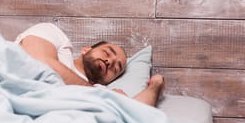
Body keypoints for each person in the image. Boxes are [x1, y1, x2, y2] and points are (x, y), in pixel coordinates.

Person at [15, 23, 164, 107]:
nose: (110, 61)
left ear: (110, 81)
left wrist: (156, 84)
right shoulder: (56, 37)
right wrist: (94, 93)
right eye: (107, 52)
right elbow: (39, 63)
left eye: (115, 68)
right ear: (86, 50)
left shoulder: (102, 91)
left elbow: (138, 112)